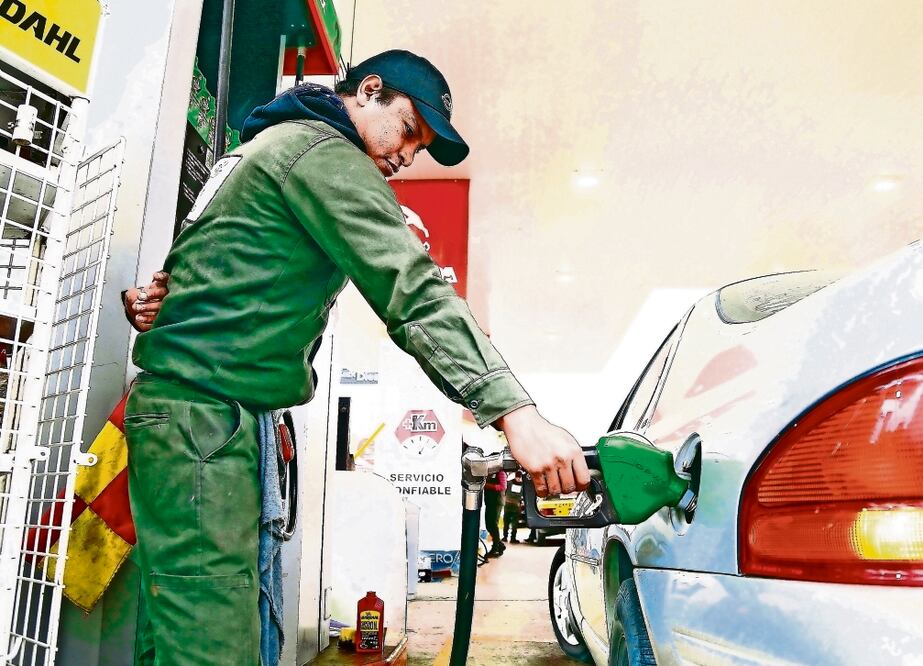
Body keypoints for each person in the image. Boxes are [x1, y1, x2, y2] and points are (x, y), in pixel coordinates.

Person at [121, 50, 589, 665]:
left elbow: (216, 264)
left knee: (179, 631)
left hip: (194, 419)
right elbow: (412, 291)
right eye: (408, 130)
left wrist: (157, 301)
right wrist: (515, 413)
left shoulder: (268, 147)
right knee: (212, 648)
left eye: (418, 149)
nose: (405, 156)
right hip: (205, 422)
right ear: (368, 90)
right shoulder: (323, 155)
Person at [483, 470, 506, 558]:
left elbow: (502, 486)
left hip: (497, 501)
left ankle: (495, 548)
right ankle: (499, 545)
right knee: (489, 524)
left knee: (493, 524)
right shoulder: (488, 473)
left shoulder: (501, 472)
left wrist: (486, 485)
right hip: (489, 501)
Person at [502, 472, 524, 543]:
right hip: (509, 504)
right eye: (518, 477)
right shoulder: (509, 483)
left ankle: (512, 538)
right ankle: (505, 537)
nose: (518, 479)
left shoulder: (521, 485)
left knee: (514, 523)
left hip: (515, 505)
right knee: (506, 521)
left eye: (519, 477)